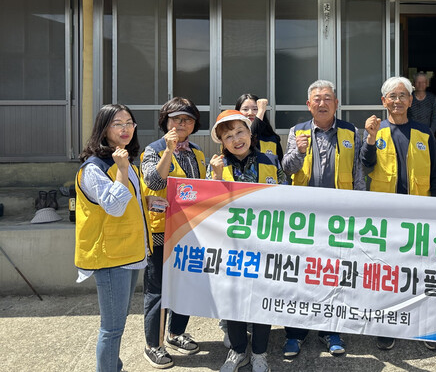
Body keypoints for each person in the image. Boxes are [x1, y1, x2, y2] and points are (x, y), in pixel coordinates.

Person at [280, 80, 365, 358]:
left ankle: (331, 331)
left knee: (334, 274)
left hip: (340, 217)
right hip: (304, 219)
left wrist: (360, 210)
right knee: (301, 274)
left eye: (328, 98)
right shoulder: (298, 131)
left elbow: (358, 172)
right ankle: (295, 333)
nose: (322, 103)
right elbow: (286, 169)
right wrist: (298, 151)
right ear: (309, 105)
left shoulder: (351, 131)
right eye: (317, 99)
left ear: (336, 103)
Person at [361, 76, 436, 352]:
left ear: (410, 100)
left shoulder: (423, 132)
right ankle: (386, 326)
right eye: (392, 96)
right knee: (386, 272)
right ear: (383, 101)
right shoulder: (375, 131)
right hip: (385, 218)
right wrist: (370, 138)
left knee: (422, 273)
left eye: (402, 96)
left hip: (419, 216)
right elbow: (365, 164)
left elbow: (435, 174)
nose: (397, 101)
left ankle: (426, 327)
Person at [74, 104, 151, 372]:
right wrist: (122, 169)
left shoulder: (125, 162)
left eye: (129, 123)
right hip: (110, 257)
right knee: (111, 328)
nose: (125, 128)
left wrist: (149, 201)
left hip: (129, 252)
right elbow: (115, 207)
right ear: (104, 129)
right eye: (117, 123)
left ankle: (112, 367)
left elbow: (130, 201)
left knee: (118, 323)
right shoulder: (93, 168)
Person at [209, 110, 286, 372]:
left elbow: (287, 199)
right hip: (230, 247)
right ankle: (238, 350)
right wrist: (216, 178)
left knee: (261, 300)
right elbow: (208, 207)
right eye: (228, 136)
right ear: (222, 142)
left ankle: (260, 353)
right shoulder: (218, 166)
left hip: (265, 246)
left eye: (240, 132)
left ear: (250, 134)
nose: (236, 139)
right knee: (232, 300)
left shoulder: (270, 161)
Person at [140, 97, 206, 368]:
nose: (182, 124)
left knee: (186, 283)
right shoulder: (153, 150)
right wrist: (168, 150)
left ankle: (176, 332)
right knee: (157, 289)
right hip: (161, 230)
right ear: (165, 122)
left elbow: (203, 190)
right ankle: (153, 345)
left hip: (191, 230)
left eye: (188, 119)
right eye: (176, 119)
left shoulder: (197, 153)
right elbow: (154, 181)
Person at [236, 94, 283, 161]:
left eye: (255, 109)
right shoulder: (233, 138)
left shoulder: (272, 139)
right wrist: (260, 112)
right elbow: (250, 137)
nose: (250, 113)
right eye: (245, 109)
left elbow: (280, 164)